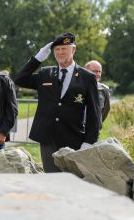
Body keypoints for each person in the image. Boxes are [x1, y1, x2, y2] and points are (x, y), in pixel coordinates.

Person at [14, 32, 101, 172]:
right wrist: (37, 58)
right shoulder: (45, 73)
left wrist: (89, 142)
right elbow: (20, 79)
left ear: (73, 50)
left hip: (73, 138)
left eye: (63, 49)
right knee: (51, 179)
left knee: (72, 180)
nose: (60, 52)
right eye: (57, 49)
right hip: (48, 139)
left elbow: (94, 113)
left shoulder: (87, 77)